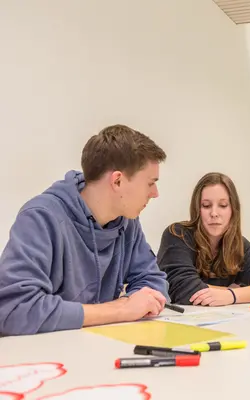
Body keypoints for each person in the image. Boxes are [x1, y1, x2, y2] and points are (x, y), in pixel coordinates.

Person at [0, 124, 170, 336]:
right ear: (117, 181)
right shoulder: (41, 217)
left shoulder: (126, 221)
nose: (155, 194)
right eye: (150, 183)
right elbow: (14, 310)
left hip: (99, 346)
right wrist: (121, 309)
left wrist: (134, 303)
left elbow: (152, 280)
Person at [157, 172, 250, 306]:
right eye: (206, 206)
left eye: (223, 205)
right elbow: (183, 289)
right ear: (197, 209)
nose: (214, 213)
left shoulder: (238, 244)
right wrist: (230, 291)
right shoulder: (177, 234)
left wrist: (231, 296)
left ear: (233, 210)